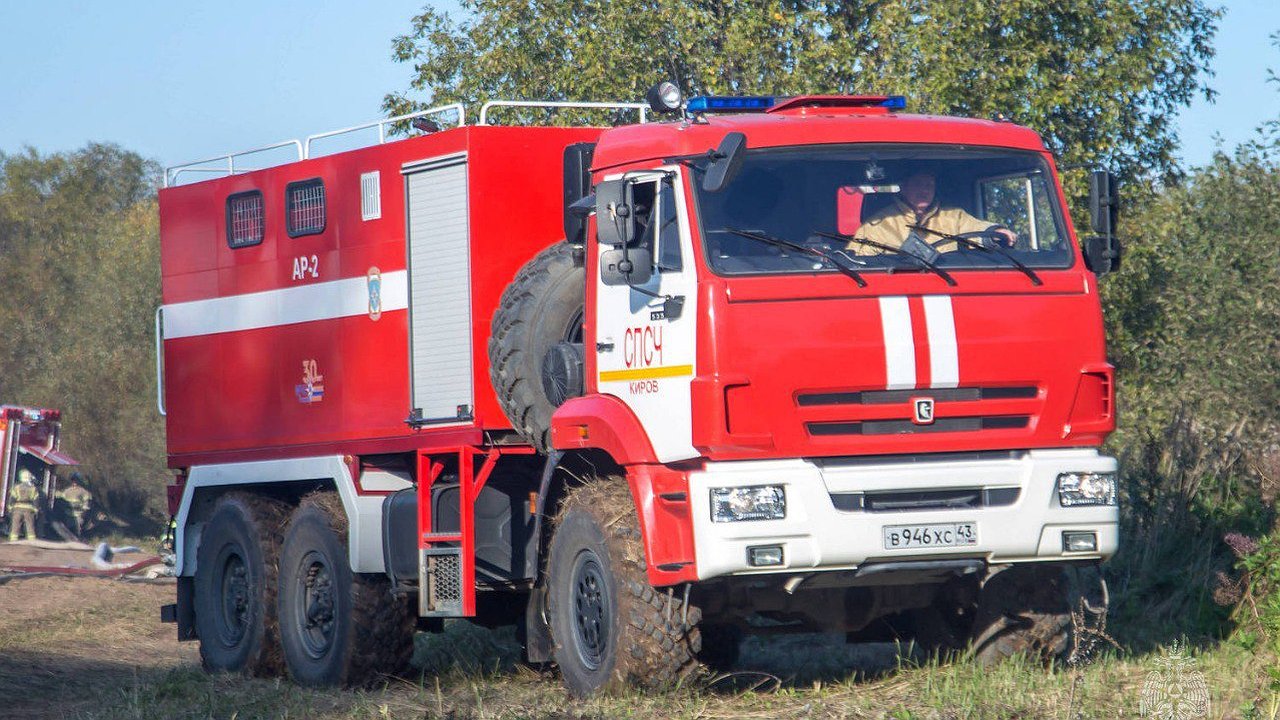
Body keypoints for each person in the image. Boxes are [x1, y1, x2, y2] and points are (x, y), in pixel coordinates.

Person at [851, 172, 1016, 253]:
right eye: (918, 184)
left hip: (948, 286)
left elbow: (975, 229)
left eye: (929, 185)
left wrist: (994, 232)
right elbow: (858, 264)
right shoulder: (876, 225)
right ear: (904, 187)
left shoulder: (953, 216)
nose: (924, 191)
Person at [8, 468, 39, 541]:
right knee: (30, 526)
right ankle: (32, 541)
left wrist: (10, 507)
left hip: (17, 509)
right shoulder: (33, 489)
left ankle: (13, 540)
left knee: (15, 525)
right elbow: (36, 500)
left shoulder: (16, 487)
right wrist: (36, 509)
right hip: (29, 509)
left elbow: (12, 499)